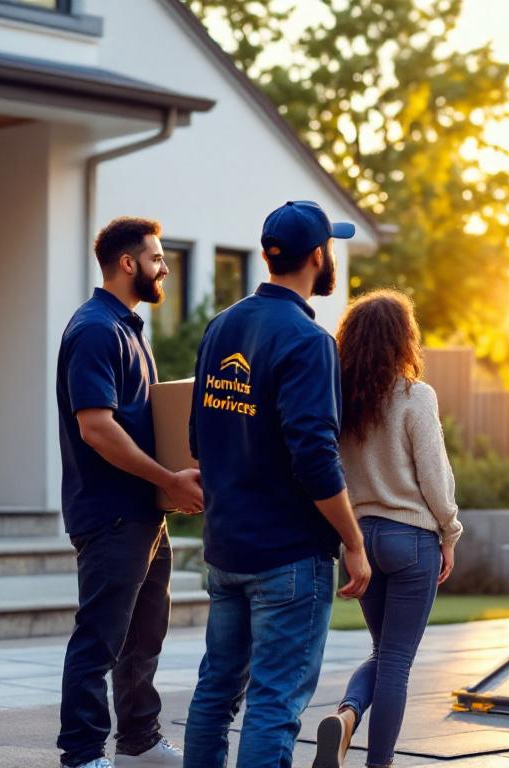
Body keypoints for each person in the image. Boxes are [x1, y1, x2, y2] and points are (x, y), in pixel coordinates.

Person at [182, 200, 372, 768]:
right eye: (330, 247)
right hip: (288, 558)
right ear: (317, 257)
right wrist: (354, 542)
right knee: (273, 701)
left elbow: (198, 436)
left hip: (226, 549)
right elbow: (315, 458)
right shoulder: (309, 341)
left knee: (215, 693)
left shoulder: (223, 326)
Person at [55, 216, 204, 768]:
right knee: (99, 640)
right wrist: (168, 480)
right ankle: (82, 754)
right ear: (128, 263)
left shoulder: (129, 329)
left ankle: (138, 740)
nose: (164, 267)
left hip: (145, 512)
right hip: (111, 513)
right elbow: (96, 427)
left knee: (144, 636)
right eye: (158, 258)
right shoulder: (95, 329)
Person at [312, 289, 464, 768]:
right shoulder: (415, 396)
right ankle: (379, 764)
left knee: (383, 653)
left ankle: (348, 714)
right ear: (404, 340)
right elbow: (434, 476)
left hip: (361, 540)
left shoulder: (341, 400)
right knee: (396, 663)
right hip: (412, 539)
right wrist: (450, 532)